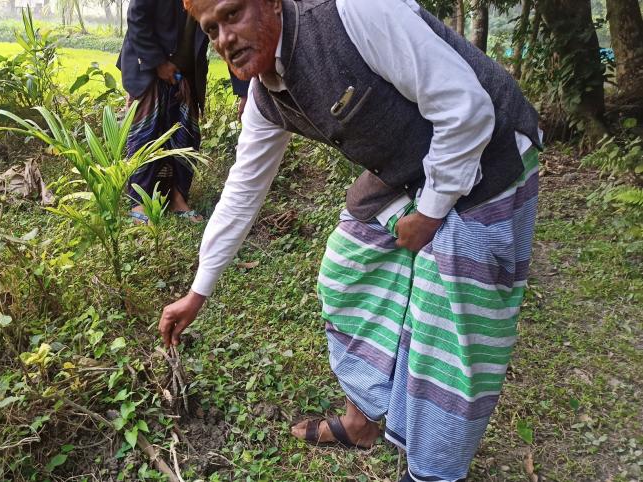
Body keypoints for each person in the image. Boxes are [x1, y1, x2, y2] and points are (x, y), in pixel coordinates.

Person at [157, 0, 542, 481]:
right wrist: (198, 291)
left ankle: (434, 473)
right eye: (211, 29)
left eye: (232, 14)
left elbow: (467, 108)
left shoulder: (354, 13)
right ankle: (362, 421)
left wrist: (429, 213)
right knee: (347, 273)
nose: (224, 39)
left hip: (492, 156)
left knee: (450, 337)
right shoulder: (266, 96)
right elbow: (241, 192)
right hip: (409, 168)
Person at [118, 0, 249, 223]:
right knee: (147, 134)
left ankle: (178, 198)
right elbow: (137, 16)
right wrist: (159, 62)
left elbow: (228, 33)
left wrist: (244, 90)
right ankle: (140, 202)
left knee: (186, 137)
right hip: (149, 68)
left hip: (186, 73)